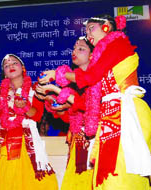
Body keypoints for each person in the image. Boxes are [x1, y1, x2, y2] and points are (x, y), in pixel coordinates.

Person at [39, 15, 151, 190]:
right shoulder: (102, 58)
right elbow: (84, 104)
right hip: (111, 115)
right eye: (86, 31)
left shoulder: (118, 43)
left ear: (107, 26)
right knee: (108, 176)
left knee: (120, 172)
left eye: (91, 28)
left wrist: (58, 74)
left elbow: (91, 77)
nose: (88, 34)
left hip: (126, 113)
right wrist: (56, 90)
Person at [0, 54, 58, 190]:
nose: (10, 66)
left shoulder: (35, 89)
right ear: (4, 74)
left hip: (26, 140)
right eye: (6, 66)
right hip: (3, 141)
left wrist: (24, 107)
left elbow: (37, 116)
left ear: (23, 68)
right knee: (5, 180)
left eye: (14, 63)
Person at [36, 37, 96, 190]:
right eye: (74, 49)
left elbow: (89, 108)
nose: (75, 52)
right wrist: (61, 108)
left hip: (95, 142)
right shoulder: (74, 84)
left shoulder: (97, 79)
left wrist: (56, 89)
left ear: (92, 55)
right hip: (77, 142)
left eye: (81, 48)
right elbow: (74, 116)